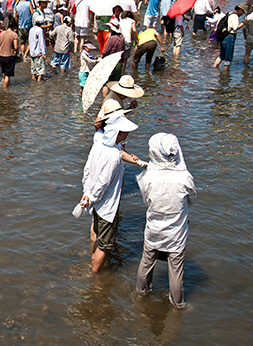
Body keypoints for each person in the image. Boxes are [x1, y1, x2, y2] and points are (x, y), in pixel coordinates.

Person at [78, 101, 141, 272]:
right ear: (118, 133)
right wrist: (92, 196)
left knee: (98, 234)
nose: (127, 133)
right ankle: (96, 278)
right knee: (105, 245)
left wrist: (87, 194)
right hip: (107, 206)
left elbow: (87, 171)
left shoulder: (99, 145)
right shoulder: (114, 155)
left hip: (97, 202)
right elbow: (103, 183)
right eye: (125, 130)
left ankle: (92, 258)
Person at [136, 133, 196, 308]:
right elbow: (191, 199)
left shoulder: (148, 178)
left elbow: (146, 201)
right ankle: (177, 304)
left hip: (154, 229)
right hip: (176, 232)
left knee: (147, 262)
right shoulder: (184, 178)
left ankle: (141, 294)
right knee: (176, 270)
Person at [213, 5, 244, 69]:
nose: (242, 14)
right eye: (242, 12)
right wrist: (243, 23)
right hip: (230, 36)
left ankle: (214, 68)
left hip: (224, 36)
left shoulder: (229, 13)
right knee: (228, 58)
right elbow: (235, 28)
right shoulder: (235, 16)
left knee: (221, 55)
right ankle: (226, 75)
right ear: (240, 10)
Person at [0, 18, 19, 87]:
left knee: (4, 72)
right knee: (8, 75)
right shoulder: (14, 35)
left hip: (1, 55)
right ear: (14, 27)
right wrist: (17, 53)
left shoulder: (2, 33)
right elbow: (15, 47)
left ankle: (6, 84)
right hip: (9, 56)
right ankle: (5, 89)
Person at [28, 17, 46, 82]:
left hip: (32, 53)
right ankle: (39, 83)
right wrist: (44, 53)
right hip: (38, 52)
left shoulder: (31, 29)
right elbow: (41, 42)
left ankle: (33, 81)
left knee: (33, 70)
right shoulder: (39, 30)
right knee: (40, 70)